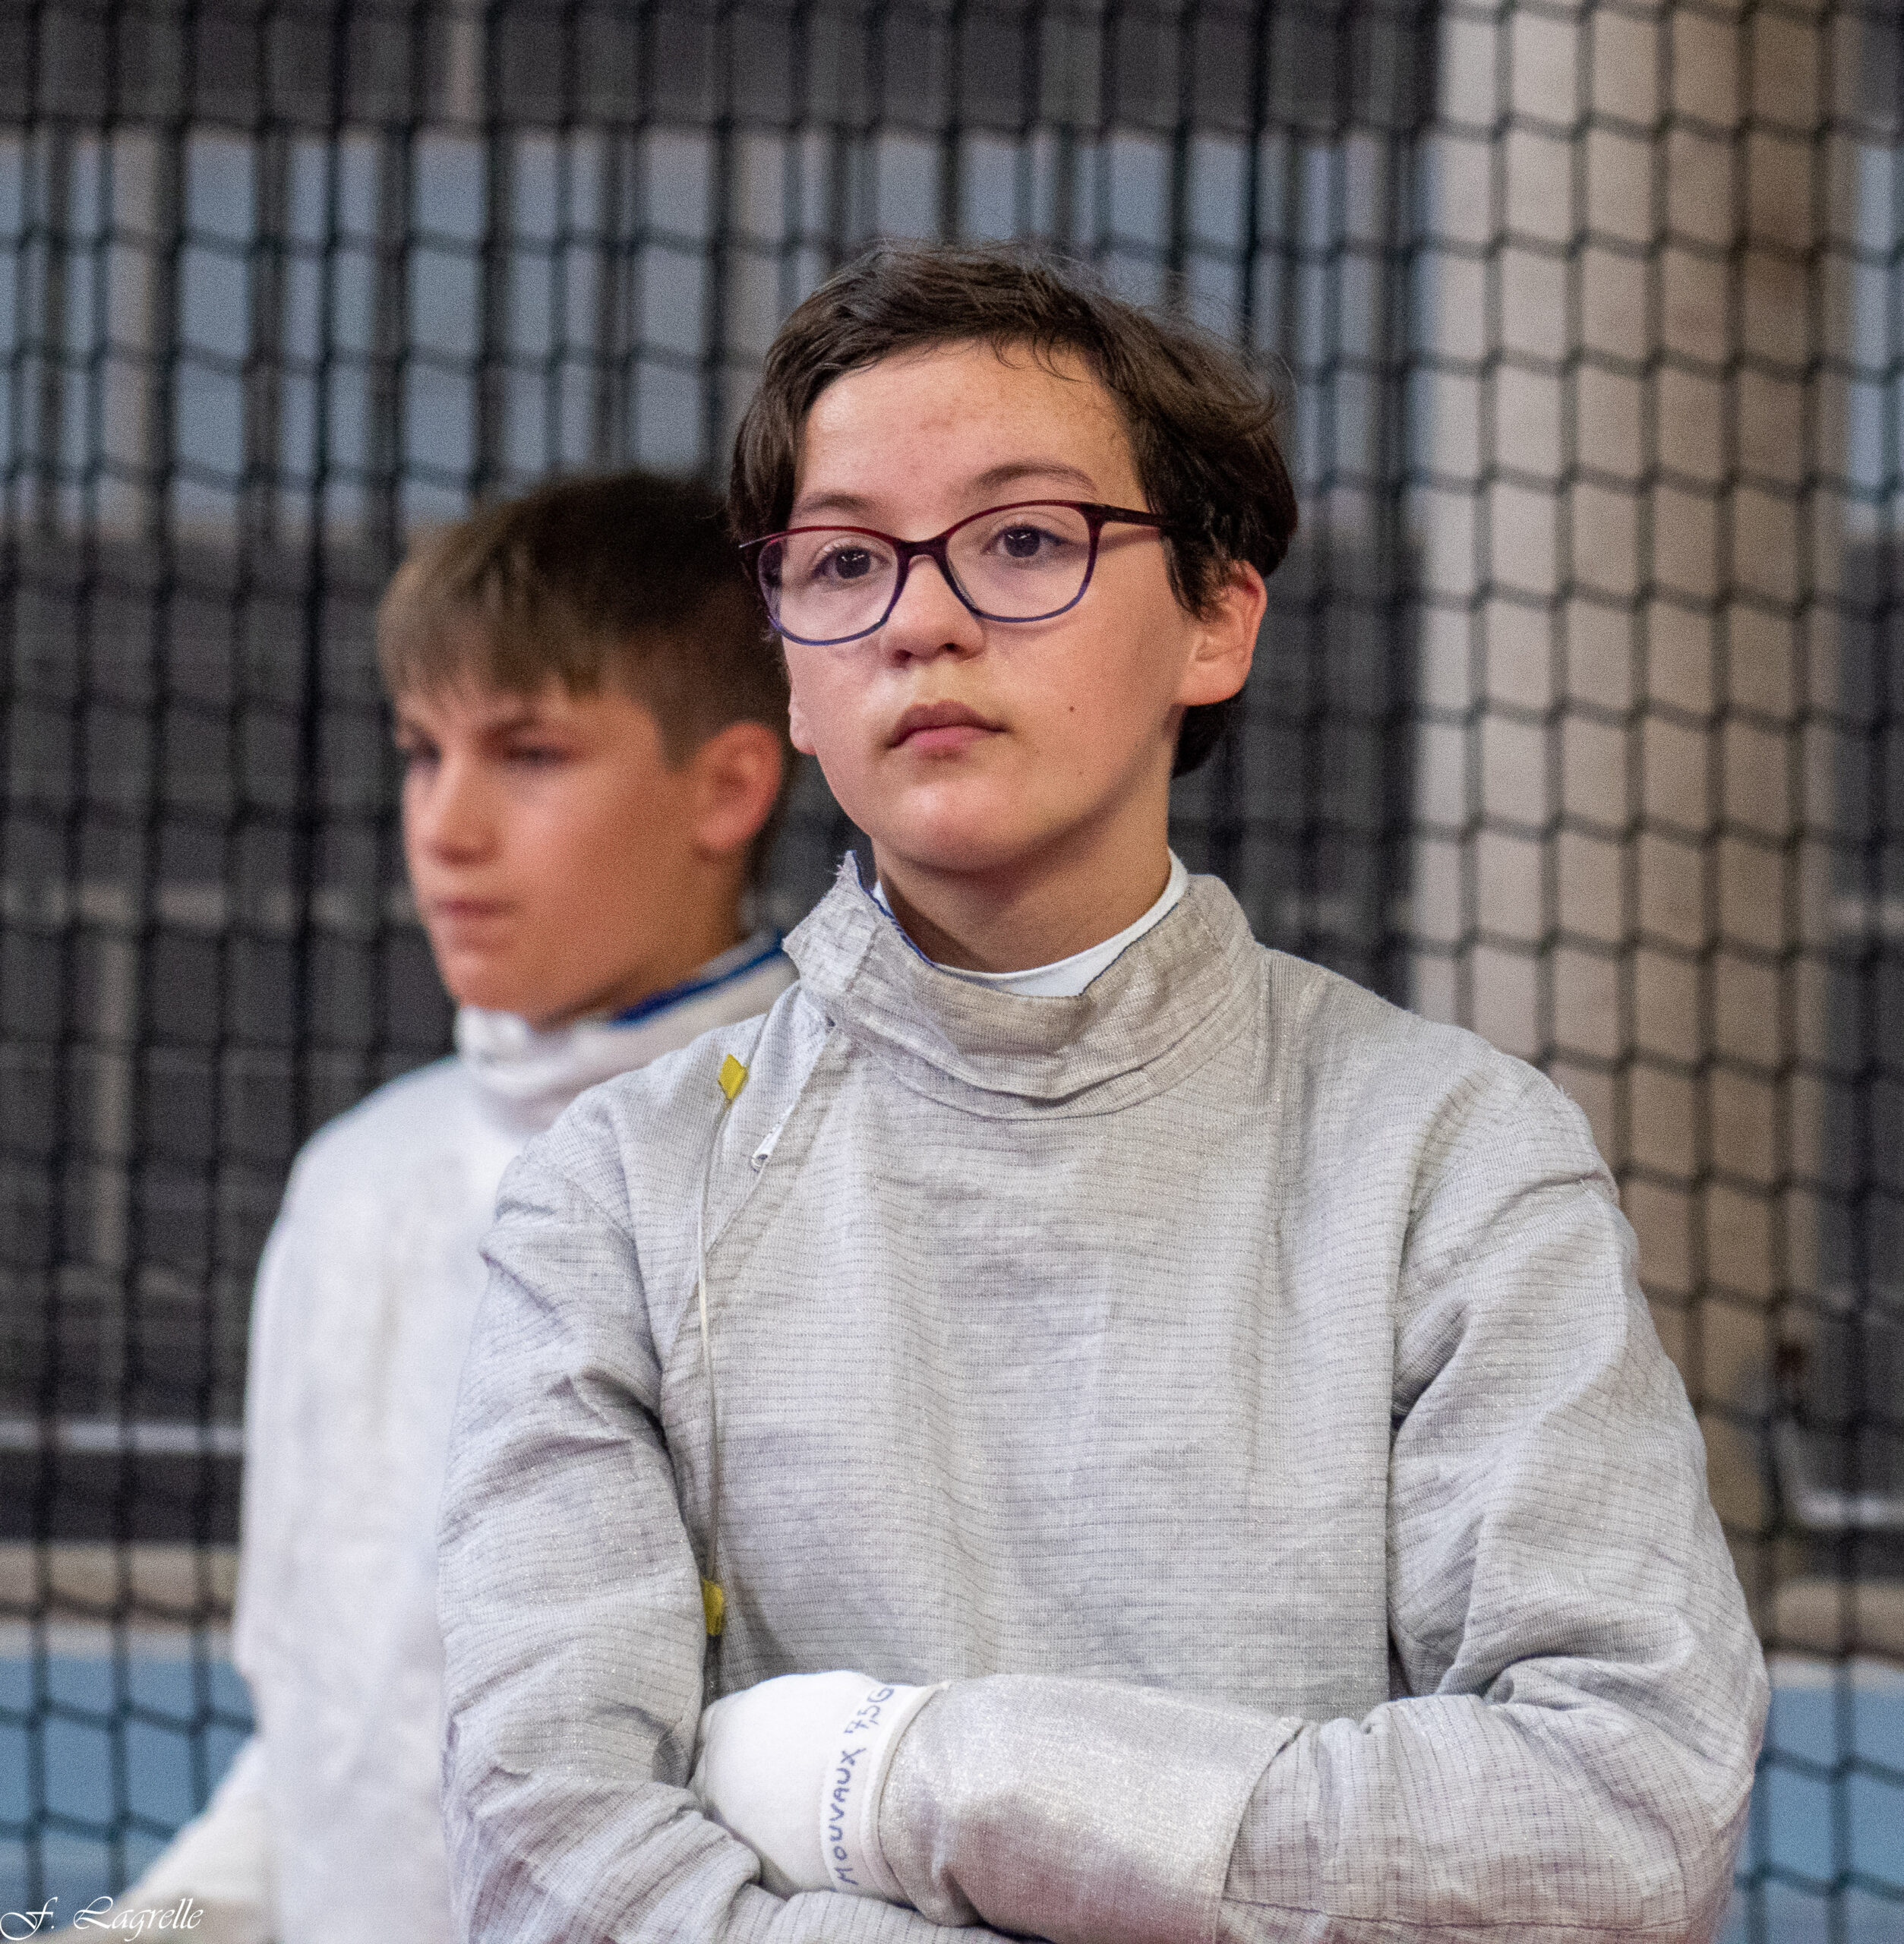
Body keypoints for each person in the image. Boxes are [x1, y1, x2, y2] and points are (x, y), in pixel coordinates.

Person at [437, 245, 1769, 1944]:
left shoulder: (1453, 1158)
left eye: (1021, 540)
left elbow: (1625, 1820)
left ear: (1217, 618)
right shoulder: (617, 1198)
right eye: (844, 560)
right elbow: (550, 1870)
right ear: (791, 673)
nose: (920, 616)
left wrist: (902, 1773)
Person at [114, 472, 796, 1944]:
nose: (448, 825)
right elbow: (330, 1739)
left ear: (729, 788)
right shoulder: (357, 1182)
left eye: (530, 753)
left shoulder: (835, 1170)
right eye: (424, 753)